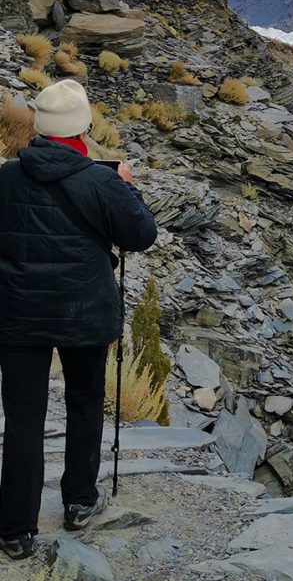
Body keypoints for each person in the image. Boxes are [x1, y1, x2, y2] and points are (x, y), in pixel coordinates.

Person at [0, 79, 158, 560]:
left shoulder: (5, 177)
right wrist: (128, 191)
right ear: (83, 129)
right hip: (84, 314)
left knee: (23, 418)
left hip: (17, 314)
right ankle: (79, 501)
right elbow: (141, 235)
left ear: (40, 129)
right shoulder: (102, 181)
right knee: (85, 403)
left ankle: (14, 529)